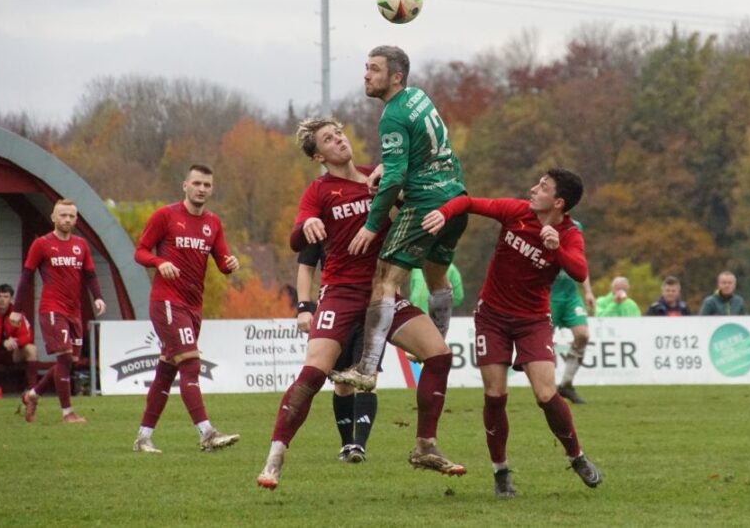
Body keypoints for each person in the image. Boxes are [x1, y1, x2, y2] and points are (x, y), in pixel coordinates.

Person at [256, 118, 465, 490]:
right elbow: (295, 237)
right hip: (339, 294)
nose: (339, 140)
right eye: (328, 139)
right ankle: (275, 457)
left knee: (439, 354)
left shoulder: (378, 178)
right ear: (318, 155)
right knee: (315, 372)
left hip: (382, 293)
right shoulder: (319, 191)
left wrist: (400, 181)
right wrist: (305, 227)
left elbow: (419, 201)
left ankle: (425, 446)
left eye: (339, 134)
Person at [421, 168, 602, 498]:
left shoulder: (570, 233)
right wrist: (442, 213)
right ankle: (500, 471)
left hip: (533, 321)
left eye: (543, 187)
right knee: (495, 394)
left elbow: (579, 270)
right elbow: (469, 202)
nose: (533, 189)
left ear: (558, 202)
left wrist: (556, 248)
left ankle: (576, 457)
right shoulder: (516, 211)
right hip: (492, 317)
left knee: (546, 394)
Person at [334, 45, 468, 391]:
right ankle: (436, 345)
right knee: (436, 275)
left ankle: (365, 368)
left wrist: (371, 224)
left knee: (384, 279)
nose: (366, 75)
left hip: (425, 204)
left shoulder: (392, 114)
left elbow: (395, 179)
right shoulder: (418, 97)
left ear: (396, 77)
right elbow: (421, 148)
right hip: (455, 199)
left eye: (374, 69)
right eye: (366, 67)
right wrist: (385, 165)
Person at [131, 165, 241, 453]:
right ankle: (206, 433)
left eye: (207, 184)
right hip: (167, 302)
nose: (201, 188)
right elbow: (140, 251)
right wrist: (159, 262)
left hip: (194, 306)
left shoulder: (213, 223)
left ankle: (143, 438)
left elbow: (222, 261)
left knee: (167, 371)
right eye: (197, 183)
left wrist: (231, 264)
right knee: (190, 363)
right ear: (185, 185)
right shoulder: (165, 216)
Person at [13, 199, 106, 423]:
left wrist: (99, 297)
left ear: (76, 219)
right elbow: (26, 276)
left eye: (71, 216)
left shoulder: (81, 245)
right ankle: (67, 413)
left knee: (69, 361)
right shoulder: (42, 244)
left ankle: (33, 395)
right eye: (62, 215)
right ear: (54, 217)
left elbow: (91, 275)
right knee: (64, 358)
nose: (67, 219)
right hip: (52, 308)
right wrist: (17, 310)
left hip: (75, 311)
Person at [295, 241, 378, 463]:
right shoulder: (321, 223)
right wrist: (303, 306)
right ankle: (346, 444)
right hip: (336, 308)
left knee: (367, 377)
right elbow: (306, 265)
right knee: (342, 383)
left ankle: (359, 444)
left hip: (370, 307)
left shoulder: (373, 218)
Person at [549, 221, 596, 405]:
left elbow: (580, 262)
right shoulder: (541, 225)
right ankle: (547, 390)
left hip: (570, 295)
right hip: (548, 294)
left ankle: (566, 384)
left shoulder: (575, 227)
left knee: (582, 335)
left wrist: (588, 291)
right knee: (544, 342)